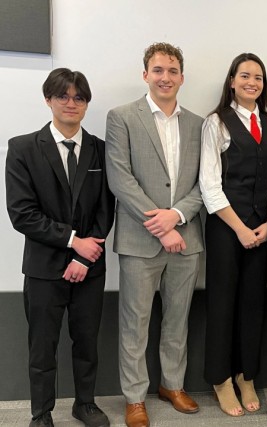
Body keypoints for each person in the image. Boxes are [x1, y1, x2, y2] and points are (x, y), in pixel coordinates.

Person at [6, 68, 114, 427]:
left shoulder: (100, 149)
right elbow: (22, 214)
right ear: (48, 100)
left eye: (79, 97)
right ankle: (41, 413)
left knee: (86, 343)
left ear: (86, 104)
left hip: (90, 267)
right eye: (63, 96)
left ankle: (85, 404)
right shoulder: (21, 148)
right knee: (42, 347)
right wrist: (73, 241)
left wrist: (84, 254)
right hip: (43, 268)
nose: (71, 103)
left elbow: (105, 209)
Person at [105, 42, 204, 427]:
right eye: (158, 70)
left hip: (187, 239)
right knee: (135, 322)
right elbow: (120, 178)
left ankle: (172, 385)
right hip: (139, 241)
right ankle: (134, 397)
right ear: (145, 74)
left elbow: (206, 184)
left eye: (173, 70)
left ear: (182, 77)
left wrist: (177, 215)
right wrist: (161, 227)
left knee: (178, 320)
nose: (166, 77)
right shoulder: (122, 117)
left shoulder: (199, 124)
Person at [199, 52, 267, 417]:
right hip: (226, 229)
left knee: (253, 304)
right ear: (232, 81)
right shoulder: (216, 122)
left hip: (261, 230)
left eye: (258, 78)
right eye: (245, 76)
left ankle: (246, 374)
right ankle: (220, 380)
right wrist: (241, 229)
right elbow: (209, 185)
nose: (252, 82)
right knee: (222, 305)